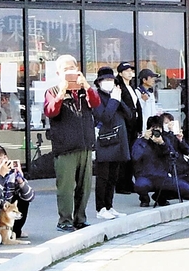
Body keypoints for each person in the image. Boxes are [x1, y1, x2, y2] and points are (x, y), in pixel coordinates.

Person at [44, 55, 99, 232]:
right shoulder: (52, 91)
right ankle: (65, 220)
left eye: (72, 68)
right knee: (66, 188)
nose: (70, 72)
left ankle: (80, 218)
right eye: (65, 69)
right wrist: (62, 92)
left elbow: (96, 103)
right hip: (65, 147)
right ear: (58, 73)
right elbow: (51, 111)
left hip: (85, 146)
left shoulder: (84, 91)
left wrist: (86, 85)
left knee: (85, 186)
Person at [132, 116, 189, 207]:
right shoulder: (140, 141)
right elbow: (135, 156)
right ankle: (144, 199)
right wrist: (144, 140)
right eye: (153, 129)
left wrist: (162, 144)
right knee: (140, 185)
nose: (156, 132)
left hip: (163, 177)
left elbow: (174, 155)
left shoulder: (165, 140)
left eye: (158, 128)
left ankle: (161, 196)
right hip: (146, 177)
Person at [92, 67, 131, 220]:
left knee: (113, 176)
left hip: (118, 141)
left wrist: (119, 99)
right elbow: (104, 117)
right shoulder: (96, 97)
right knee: (103, 176)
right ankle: (100, 208)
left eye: (111, 80)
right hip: (105, 141)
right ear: (99, 82)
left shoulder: (116, 95)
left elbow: (129, 115)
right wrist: (114, 100)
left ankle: (109, 205)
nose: (108, 83)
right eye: (105, 80)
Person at [0, 144, 34, 238]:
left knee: (23, 199)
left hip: (8, 210)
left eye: (5, 157)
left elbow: (30, 196)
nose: (4, 161)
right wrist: (1, 176)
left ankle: (16, 231)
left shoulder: (12, 174)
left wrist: (21, 180)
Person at [160, 112, 189, 193]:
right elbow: (166, 150)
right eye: (166, 123)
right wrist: (169, 134)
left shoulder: (176, 136)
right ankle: (178, 192)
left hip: (184, 169)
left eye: (171, 123)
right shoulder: (160, 138)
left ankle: (184, 190)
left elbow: (186, 151)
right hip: (171, 172)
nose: (169, 125)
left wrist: (181, 139)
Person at [114, 62, 142, 194]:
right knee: (123, 155)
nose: (130, 72)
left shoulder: (131, 87)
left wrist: (140, 125)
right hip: (125, 125)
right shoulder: (118, 87)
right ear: (120, 73)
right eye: (126, 70)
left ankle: (129, 182)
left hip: (133, 126)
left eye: (131, 70)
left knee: (131, 154)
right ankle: (121, 184)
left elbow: (137, 106)